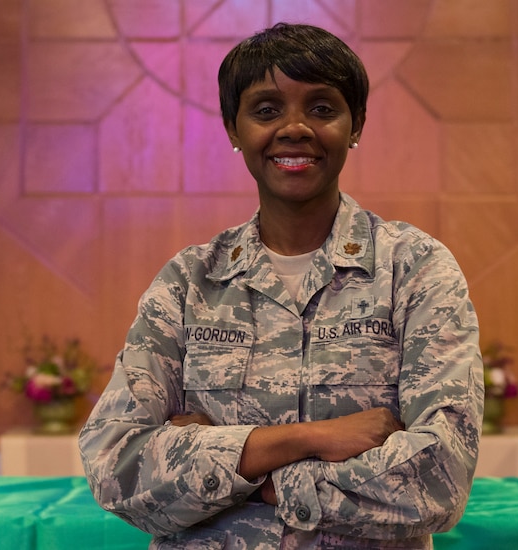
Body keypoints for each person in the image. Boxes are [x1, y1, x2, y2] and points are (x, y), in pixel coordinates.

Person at [79, 22, 483, 549]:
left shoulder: (415, 268)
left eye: (322, 108)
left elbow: (439, 479)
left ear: (356, 123)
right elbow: (115, 466)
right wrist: (309, 438)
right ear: (233, 129)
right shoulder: (188, 282)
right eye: (266, 110)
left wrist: (239, 470)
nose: (294, 128)